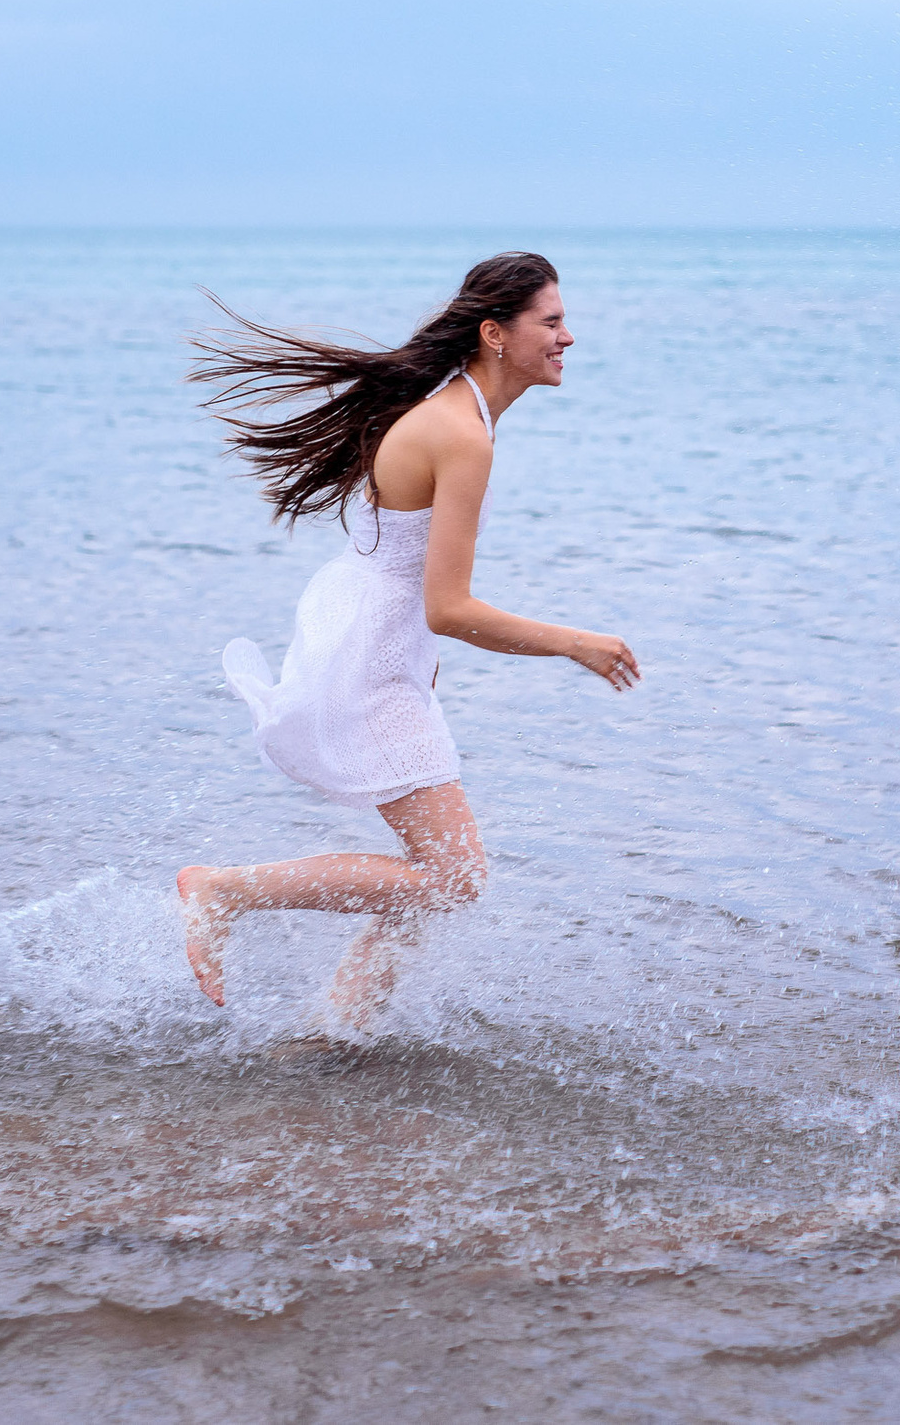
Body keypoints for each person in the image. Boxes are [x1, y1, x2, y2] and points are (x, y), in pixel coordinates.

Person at [175, 252, 640, 1030]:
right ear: (496, 333)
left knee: (438, 875)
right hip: (373, 660)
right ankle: (225, 889)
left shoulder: (452, 412)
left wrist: (420, 665)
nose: (569, 337)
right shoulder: (461, 433)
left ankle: (334, 1028)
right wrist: (573, 642)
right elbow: (448, 606)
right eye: (551, 321)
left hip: (374, 646)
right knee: (454, 877)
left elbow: (407, 576)